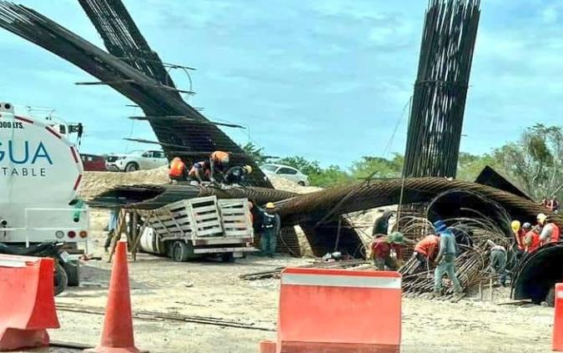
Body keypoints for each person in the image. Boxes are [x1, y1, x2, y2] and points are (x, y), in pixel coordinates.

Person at [432, 220, 462, 297]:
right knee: (451, 273)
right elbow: (456, 246)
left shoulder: (443, 236)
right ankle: (458, 289)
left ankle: (437, 290)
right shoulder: (451, 234)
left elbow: (443, 248)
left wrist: (437, 259)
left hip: (447, 255)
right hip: (452, 255)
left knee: (437, 272)